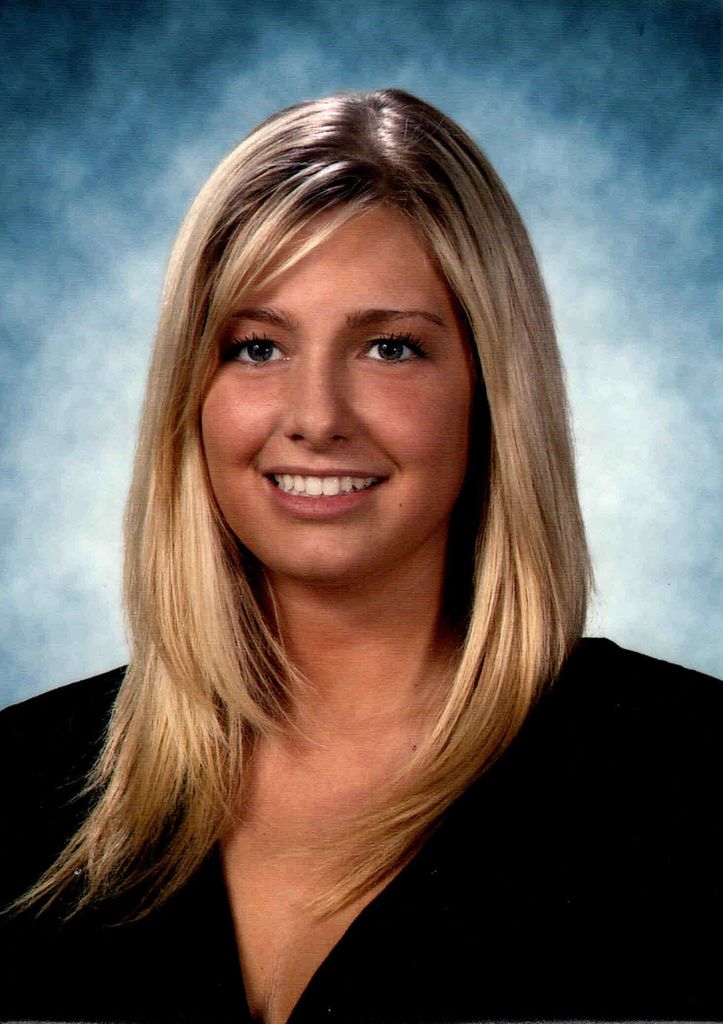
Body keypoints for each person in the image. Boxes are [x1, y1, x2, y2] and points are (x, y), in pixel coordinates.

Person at [1, 88, 720, 1024]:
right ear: (190, 392)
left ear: (490, 389)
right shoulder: (18, 781)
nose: (315, 417)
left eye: (389, 348)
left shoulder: (691, 778)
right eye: (256, 348)